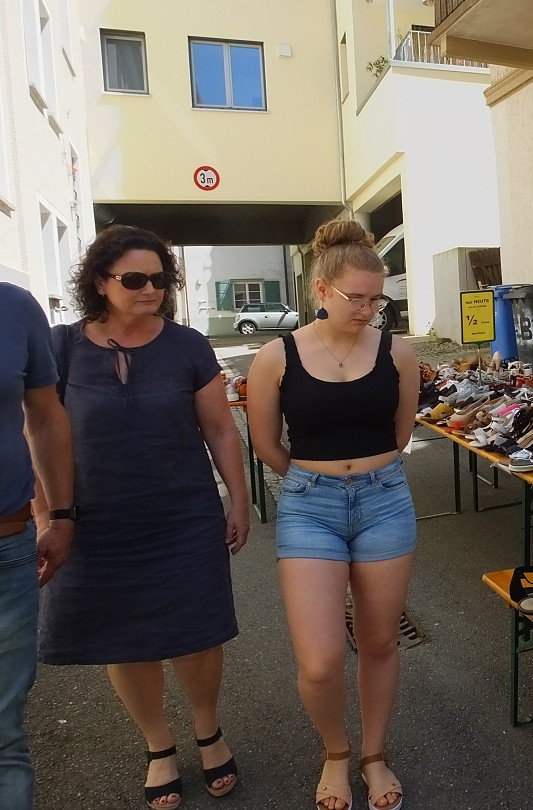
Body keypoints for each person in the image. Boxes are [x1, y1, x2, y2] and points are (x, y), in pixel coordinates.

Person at [37, 225, 250, 809]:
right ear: (100, 283)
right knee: (124, 638)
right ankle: (159, 744)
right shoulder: (60, 348)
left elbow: (218, 429)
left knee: (198, 633)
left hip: (181, 514)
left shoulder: (187, 346)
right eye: (134, 279)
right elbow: (39, 436)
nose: (150, 288)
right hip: (95, 521)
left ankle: (208, 729)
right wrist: (46, 518)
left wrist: (240, 497)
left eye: (159, 278)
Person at [246, 219, 420, 810]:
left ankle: (374, 755)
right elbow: (266, 442)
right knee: (319, 661)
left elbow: (401, 436)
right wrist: (312, 476)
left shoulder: (399, 352)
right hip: (308, 506)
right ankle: (335, 752)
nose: (369, 309)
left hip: (384, 499)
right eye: (357, 298)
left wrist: (367, 471)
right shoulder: (275, 357)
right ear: (321, 290)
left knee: (377, 642)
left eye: (378, 298)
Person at [0, 283, 74, 810]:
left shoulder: (14, 307)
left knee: (4, 735)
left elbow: (44, 418)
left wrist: (57, 516)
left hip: (7, 545)